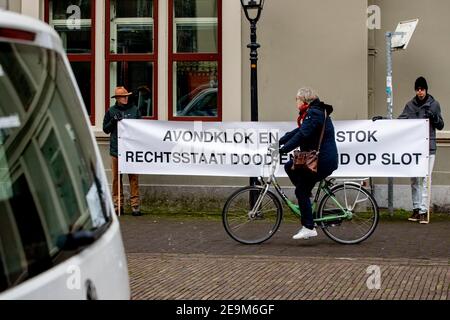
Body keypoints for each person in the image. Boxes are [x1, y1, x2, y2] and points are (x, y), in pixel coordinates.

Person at [279, 87, 339, 240]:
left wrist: (284, 149)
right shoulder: (314, 112)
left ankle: (309, 227)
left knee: (301, 191)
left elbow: (302, 135)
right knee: (289, 166)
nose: (296, 102)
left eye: (297, 99)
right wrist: (280, 142)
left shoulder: (314, 113)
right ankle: (306, 197)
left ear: (304, 100)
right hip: (319, 159)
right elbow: (299, 131)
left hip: (322, 161)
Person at [399, 77, 444, 224]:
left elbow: (441, 125)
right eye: (417, 89)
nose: (420, 92)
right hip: (414, 148)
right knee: (414, 179)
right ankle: (417, 209)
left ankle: (424, 211)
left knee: (425, 179)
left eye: (422, 89)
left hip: (429, 147)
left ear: (426, 90)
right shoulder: (409, 106)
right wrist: (383, 121)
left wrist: (434, 117)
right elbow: (399, 122)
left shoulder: (434, 104)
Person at [103, 86, 142, 216]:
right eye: (122, 97)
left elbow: (142, 128)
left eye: (126, 96)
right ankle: (118, 205)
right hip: (116, 150)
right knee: (116, 179)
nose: (125, 98)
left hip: (131, 150)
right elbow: (106, 129)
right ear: (117, 99)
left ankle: (135, 205)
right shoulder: (111, 111)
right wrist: (113, 121)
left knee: (133, 178)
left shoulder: (134, 110)